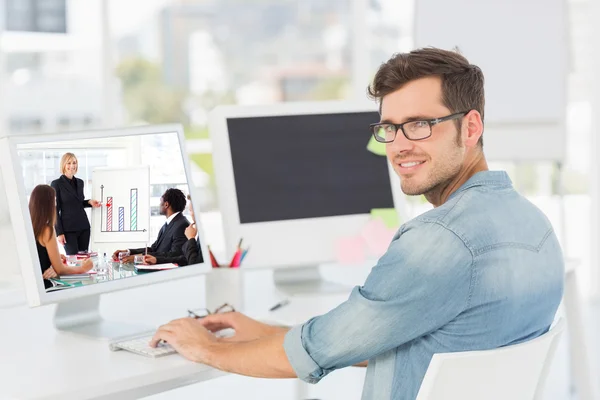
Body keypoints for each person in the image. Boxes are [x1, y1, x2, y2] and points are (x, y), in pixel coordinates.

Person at [149, 48, 565, 400]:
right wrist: (265, 331)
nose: (400, 145)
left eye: (420, 125)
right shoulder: (536, 229)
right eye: (390, 128)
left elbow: (315, 354)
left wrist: (205, 348)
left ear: (470, 127)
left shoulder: (438, 242)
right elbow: (419, 339)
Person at [29, 185, 94, 289]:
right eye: (54, 200)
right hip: (45, 287)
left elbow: (37, 256)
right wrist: (84, 268)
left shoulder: (28, 226)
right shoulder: (47, 230)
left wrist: (52, 261)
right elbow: (61, 270)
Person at [113, 188, 189, 263]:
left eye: (160, 202)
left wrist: (140, 257)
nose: (159, 205)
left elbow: (175, 254)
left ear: (166, 204)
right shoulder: (168, 224)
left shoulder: (182, 225)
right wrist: (128, 252)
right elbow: (154, 248)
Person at [51, 152, 101, 256]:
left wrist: (89, 202)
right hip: (68, 229)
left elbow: (78, 203)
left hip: (84, 227)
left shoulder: (80, 182)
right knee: (73, 259)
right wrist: (59, 233)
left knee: (83, 259)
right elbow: (54, 210)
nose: (72, 166)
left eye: (74, 163)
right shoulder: (56, 184)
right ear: (63, 165)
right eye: (68, 163)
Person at [143, 195, 203, 266]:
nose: (191, 214)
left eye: (190, 210)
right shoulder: (166, 225)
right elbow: (184, 258)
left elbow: (194, 263)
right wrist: (156, 260)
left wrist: (191, 238)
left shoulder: (182, 225)